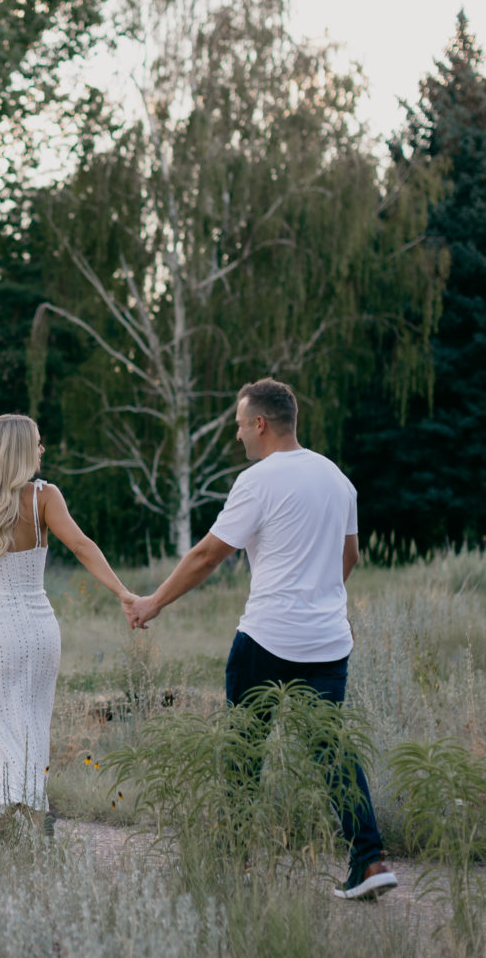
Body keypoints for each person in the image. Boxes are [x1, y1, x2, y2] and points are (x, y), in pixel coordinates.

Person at [123, 378, 397, 900]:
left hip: (266, 639)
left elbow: (208, 554)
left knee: (243, 752)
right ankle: (370, 860)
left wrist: (151, 603)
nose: (238, 437)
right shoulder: (337, 479)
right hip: (328, 642)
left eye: (239, 426)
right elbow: (352, 554)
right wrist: (317, 596)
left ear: (261, 424)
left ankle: (232, 863)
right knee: (333, 752)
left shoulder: (258, 480)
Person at [0, 413, 133, 828]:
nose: (42, 449)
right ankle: (29, 815)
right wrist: (122, 592)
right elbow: (82, 546)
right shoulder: (44, 497)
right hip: (40, 629)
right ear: (21, 450)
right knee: (30, 728)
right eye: (37, 442)